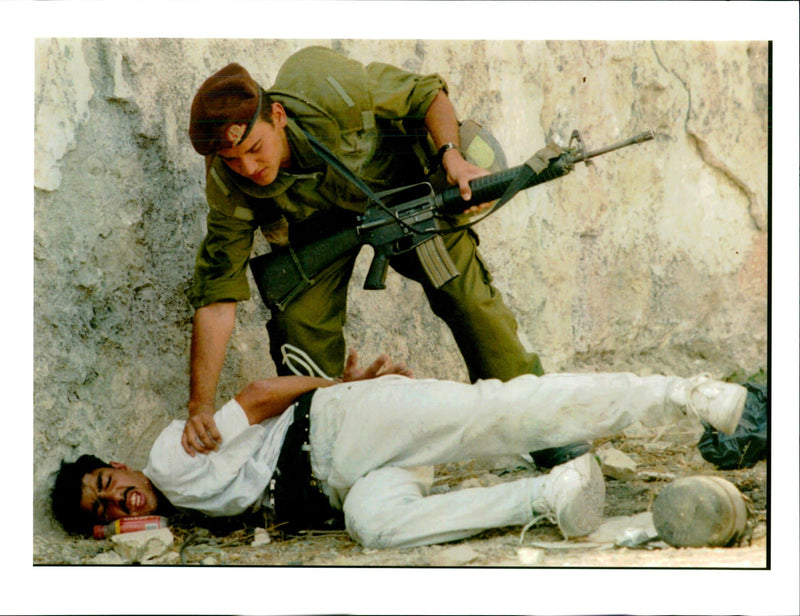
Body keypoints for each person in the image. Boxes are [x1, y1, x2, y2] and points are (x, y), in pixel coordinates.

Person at [184, 45, 588, 466]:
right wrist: (201, 406)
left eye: (255, 147)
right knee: (298, 328)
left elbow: (426, 93)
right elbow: (216, 300)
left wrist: (451, 156)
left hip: (402, 197)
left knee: (465, 296)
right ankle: (327, 459)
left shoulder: (333, 90)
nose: (248, 167)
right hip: (317, 236)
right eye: (233, 159)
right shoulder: (228, 183)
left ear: (278, 117)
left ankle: (538, 420)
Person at [52, 350, 747, 549]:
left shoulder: (172, 455)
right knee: (375, 525)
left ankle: (680, 393)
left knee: (499, 412)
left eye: (106, 480)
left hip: (340, 430)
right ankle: (549, 495)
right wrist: (123, 529)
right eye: (103, 508)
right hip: (343, 485)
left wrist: (345, 387)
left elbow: (262, 393)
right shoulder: (167, 512)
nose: (117, 496)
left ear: (119, 463)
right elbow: (150, 538)